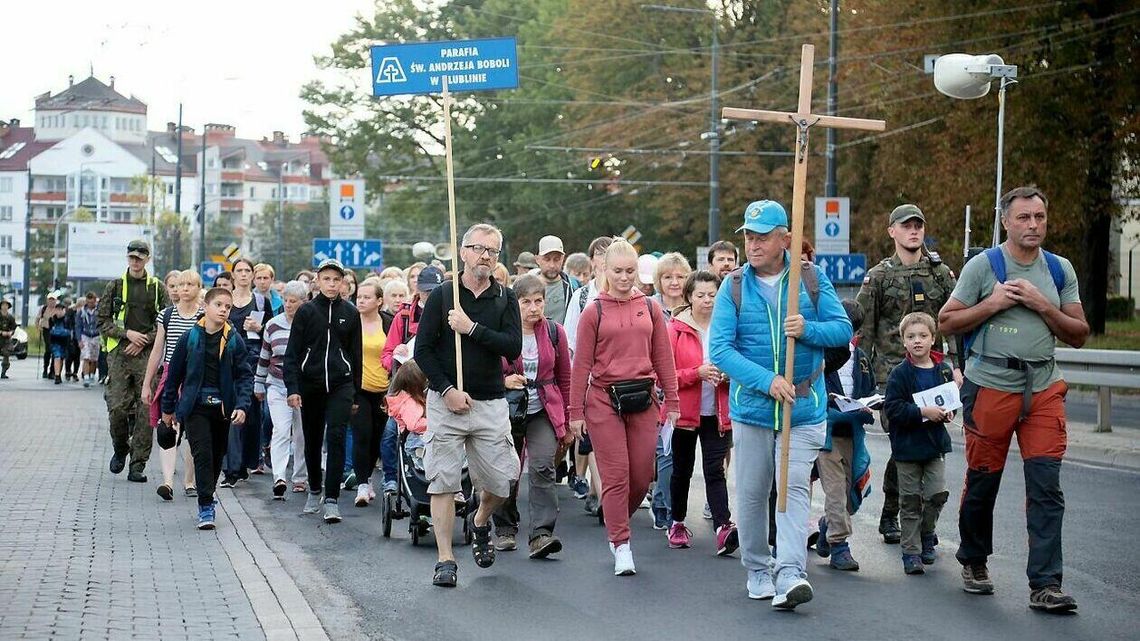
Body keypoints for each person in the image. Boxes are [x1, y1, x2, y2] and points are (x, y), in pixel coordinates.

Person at [938, 186, 1088, 612]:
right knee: (984, 478)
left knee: (1046, 487)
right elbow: (946, 321)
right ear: (1006, 221)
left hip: (1042, 387)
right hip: (991, 385)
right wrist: (992, 302)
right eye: (1024, 218)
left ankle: (1046, 584)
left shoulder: (1059, 270)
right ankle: (974, 559)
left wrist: (1043, 305)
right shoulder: (984, 266)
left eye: (1039, 217)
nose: (1033, 225)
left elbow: (1078, 334)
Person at [709, 200, 852, 609]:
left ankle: (791, 572)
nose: (753, 245)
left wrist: (808, 329)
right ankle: (757, 567)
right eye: (749, 237)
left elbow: (842, 329)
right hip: (753, 408)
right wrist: (766, 380)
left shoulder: (809, 277)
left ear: (784, 239)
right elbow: (720, 348)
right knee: (753, 493)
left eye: (762, 237)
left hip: (804, 408)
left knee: (791, 492)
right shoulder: (733, 285)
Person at [414, 223, 522, 588]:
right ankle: (445, 559)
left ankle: (479, 521)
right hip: (447, 403)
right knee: (442, 483)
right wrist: (446, 391)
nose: (485, 256)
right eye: (478, 249)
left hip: (490, 402)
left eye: (492, 251)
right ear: (462, 252)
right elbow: (422, 351)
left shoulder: (505, 298)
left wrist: (471, 328)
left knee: (502, 484)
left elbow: (512, 347)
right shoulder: (445, 295)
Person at [569, 237, 679, 577]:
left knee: (642, 476)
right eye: (617, 271)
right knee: (616, 475)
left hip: (643, 398)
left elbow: (663, 356)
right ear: (605, 270)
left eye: (630, 270)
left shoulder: (650, 307)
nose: (624, 277)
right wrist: (575, 413)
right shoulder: (594, 310)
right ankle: (621, 543)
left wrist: (672, 401)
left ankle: (617, 519)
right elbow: (581, 366)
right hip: (603, 399)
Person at [856, 204, 960, 545]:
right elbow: (865, 328)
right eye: (906, 226)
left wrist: (957, 366)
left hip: (933, 373)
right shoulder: (880, 276)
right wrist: (863, 376)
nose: (913, 231)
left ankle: (916, 519)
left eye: (918, 226)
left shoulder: (940, 274)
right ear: (893, 231)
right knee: (904, 438)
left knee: (926, 443)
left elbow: (953, 322)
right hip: (891, 374)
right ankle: (893, 513)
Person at [492, 274, 573, 558]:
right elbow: (485, 370)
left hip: (543, 410)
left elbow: (565, 378)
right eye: (526, 302)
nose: (533, 308)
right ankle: (504, 527)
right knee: (506, 471)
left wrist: (568, 420)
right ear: (515, 303)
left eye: (538, 301)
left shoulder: (554, 332)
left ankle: (541, 533)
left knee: (542, 467)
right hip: (508, 410)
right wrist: (504, 381)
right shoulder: (502, 331)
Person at [161, 287, 253, 530]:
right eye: (219, 305)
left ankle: (208, 493)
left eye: (228, 307)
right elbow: (174, 376)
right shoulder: (189, 338)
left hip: (223, 408)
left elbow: (245, 376)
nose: (224, 310)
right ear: (206, 307)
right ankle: (205, 506)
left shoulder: (234, 339)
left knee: (216, 456)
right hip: (195, 407)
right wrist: (168, 409)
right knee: (202, 454)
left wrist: (242, 405)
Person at [283, 258, 363, 524]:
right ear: (318, 281)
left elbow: (356, 354)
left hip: (341, 383)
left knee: (337, 436)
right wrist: (292, 388)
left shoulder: (350, 313)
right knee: (313, 439)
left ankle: (331, 498)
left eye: (336, 279)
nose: (331, 284)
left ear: (343, 283)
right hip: (311, 383)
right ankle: (314, 488)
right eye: (326, 279)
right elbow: (292, 353)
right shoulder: (306, 312)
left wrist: (355, 391)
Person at [664, 270, 735, 554]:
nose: (707, 301)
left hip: (717, 412)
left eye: (713, 295)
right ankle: (677, 522)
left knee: (714, 470)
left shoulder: (727, 326)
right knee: (682, 470)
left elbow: (738, 361)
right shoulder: (675, 329)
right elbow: (664, 375)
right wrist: (697, 373)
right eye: (701, 295)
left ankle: (723, 527)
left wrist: (729, 374)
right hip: (684, 413)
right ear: (689, 297)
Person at [883, 312, 955, 576]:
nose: (917, 341)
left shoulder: (943, 370)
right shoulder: (900, 374)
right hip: (907, 448)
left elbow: (950, 402)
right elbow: (893, 408)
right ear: (903, 341)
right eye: (911, 337)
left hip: (934, 446)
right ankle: (911, 552)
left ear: (933, 339)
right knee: (910, 501)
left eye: (923, 336)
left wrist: (948, 413)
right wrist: (923, 412)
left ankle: (928, 534)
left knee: (936, 495)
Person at [98, 240, 170, 482]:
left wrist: (144, 339)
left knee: (145, 409)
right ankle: (121, 448)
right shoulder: (115, 286)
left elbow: (165, 321)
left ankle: (138, 464)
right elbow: (102, 321)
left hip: (147, 355)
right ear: (127, 257)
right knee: (116, 406)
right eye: (132, 256)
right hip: (119, 354)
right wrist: (126, 334)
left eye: (140, 257)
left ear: (148, 259)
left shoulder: (157, 288)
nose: (135, 260)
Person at [816, 299, 876, 572]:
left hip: (853, 433)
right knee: (836, 491)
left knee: (853, 492)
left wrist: (870, 405)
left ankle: (828, 525)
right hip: (827, 435)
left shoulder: (861, 359)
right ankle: (840, 545)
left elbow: (870, 390)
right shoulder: (821, 356)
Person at [381, 265, 445, 493]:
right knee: (391, 433)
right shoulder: (404, 317)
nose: (431, 295)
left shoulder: (448, 315)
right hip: (407, 387)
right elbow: (386, 354)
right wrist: (399, 363)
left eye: (435, 290)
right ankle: (390, 478)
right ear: (418, 290)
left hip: (438, 385)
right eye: (427, 291)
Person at [141, 269, 203, 501]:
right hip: (170, 376)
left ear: (198, 289)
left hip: (197, 378)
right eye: (179, 284)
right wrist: (147, 384)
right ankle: (167, 482)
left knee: (193, 431)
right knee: (168, 427)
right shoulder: (166, 315)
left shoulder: (204, 316)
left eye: (189, 284)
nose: (183, 289)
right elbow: (157, 351)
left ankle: (189, 481)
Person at [562, 236, 612, 513]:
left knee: (611, 443)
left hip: (619, 381)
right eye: (600, 254)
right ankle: (605, 496)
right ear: (592, 260)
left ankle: (598, 491)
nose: (605, 259)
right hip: (591, 380)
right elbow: (571, 343)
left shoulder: (630, 293)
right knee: (593, 440)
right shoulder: (582, 296)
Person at [255, 280, 309, 499]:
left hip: (304, 387)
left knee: (302, 434)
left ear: (303, 303)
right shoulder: (273, 324)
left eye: (293, 301)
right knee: (280, 430)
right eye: (286, 300)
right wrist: (258, 384)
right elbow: (264, 356)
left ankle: (299, 478)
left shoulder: (309, 325)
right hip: (276, 385)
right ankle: (279, 476)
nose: (288, 304)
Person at [650, 251, 692, 529]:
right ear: (659, 281)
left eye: (680, 277)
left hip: (686, 387)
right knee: (661, 451)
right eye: (668, 277)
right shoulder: (650, 307)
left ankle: (667, 503)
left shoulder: (695, 307)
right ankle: (660, 500)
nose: (674, 282)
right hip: (654, 388)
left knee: (676, 454)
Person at [220, 258, 268, 486]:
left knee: (251, 414)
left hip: (252, 360)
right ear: (232, 275)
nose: (243, 274)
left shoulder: (260, 301)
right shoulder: (225, 301)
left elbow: (271, 329)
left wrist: (259, 327)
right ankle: (231, 468)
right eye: (238, 270)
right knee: (231, 412)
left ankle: (246, 463)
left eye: (247, 270)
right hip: (227, 359)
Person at [350, 279, 394, 506]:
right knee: (362, 435)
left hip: (384, 390)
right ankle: (362, 484)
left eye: (367, 297)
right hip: (359, 390)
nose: (361, 300)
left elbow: (398, 352)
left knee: (379, 437)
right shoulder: (351, 323)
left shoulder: (389, 322)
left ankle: (370, 477)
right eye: (359, 296)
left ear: (379, 301)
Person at [535, 235, 577, 325]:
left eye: (556, 259)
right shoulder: (526, 287)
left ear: (563, 259)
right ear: (537, 259)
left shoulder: (573, 287)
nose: (552, 265)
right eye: (547, 259)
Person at [76, 293, 101, 387]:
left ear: (95, 301)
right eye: (88, 302)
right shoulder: (81, 312)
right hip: (85, 335)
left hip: (96, 336)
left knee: (94, 359)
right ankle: (86, 377)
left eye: (92, 302)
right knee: (86, 357)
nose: (90, 304)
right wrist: (79, 340)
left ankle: (92, 375)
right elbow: (78, 326)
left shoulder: (99, 311)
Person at [46, 296, 70, 384]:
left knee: (61, 358)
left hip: (64, 342)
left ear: (64, 310)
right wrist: (60, 332)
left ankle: (58, 373)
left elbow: (69, 332)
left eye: (61, 310)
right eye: (57, 309)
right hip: (55, 342)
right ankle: (57, 376)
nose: (59, 312)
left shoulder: (67, 320)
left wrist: (59, 332)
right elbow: (51, 331)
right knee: (57, 357)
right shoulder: (52, 319)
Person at [0, 299, 16, 379]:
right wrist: (1, 332)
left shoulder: (10, 317)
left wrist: (10, 332)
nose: (4, 307)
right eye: (3, 305)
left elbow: (13, 328)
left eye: (6, 305)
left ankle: (3, 372)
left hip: (6, 339)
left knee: (6, 353)